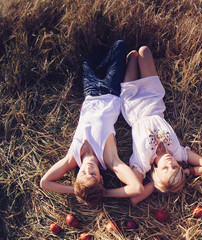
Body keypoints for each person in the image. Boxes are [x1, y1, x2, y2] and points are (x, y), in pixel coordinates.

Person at [40, 40, 143, 206]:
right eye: (93, 174)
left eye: (83, 174)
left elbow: (44, 183)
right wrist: (104, 193)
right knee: (120, 45)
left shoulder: (72, 158)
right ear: (101, 179)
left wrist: (76, 189)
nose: (88, 168)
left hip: (90, 91)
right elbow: (137, 188)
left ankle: (102, 63)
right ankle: (105, 65)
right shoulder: (109, 160)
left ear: (77, 176)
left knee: (87, 63)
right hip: (111, 90)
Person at [120, 46, 202, 205]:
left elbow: (134, 197)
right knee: (144, 51)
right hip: (153, 99)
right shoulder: (178, 153)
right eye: (175, 168)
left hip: (132, 107)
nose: (170, 164)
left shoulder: (142, 163)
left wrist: (157, 185)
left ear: (155, 173)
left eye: (165, 169)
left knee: (133, 56)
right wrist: (186, 172)